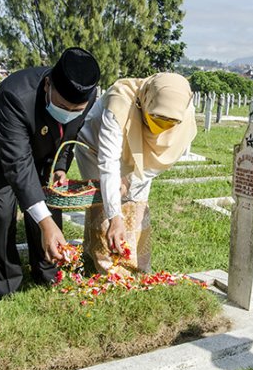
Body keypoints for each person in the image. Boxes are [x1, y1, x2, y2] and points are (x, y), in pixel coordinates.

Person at [0, 47, 101, 296]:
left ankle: (47, 271)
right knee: (2, 211)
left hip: (35, 150)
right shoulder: (17, 95)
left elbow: (70, 135)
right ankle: (7, 284)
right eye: (63, 106)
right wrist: (44, 222)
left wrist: (61, 167)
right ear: (47, 86)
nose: (70, 113)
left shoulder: (86, 96)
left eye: (77, 109)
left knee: (49, 200)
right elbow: (17, 166)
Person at [75, 72, 196, 274]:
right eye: (156, 118)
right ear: (145, 102)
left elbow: (162, 157)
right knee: (104, 208)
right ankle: (104, 266)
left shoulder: (182, 111)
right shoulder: (119, 102)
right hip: (95, 150)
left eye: (169, 123)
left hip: (141, 157)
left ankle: (135, 265)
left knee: (136, 205)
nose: (160, 128)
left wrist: (131, 179)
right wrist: (115, 216)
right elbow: (108, 161)